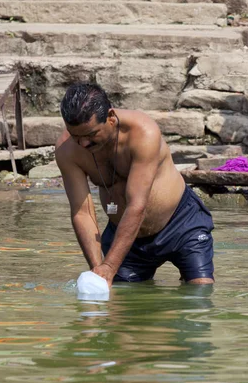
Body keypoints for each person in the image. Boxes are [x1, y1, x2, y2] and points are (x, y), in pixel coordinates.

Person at [55, 83, 215, 288]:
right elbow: (82, 212)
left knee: (200, 292)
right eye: (76, 136)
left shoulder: (143, 132)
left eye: (91, 135)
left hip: (181, 224)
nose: (83, 144)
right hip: (126, 238)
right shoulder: (67, 150)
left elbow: (137, 205)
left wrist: (110, 266)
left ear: (111, 118)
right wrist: (99, 272)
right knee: (123, 308)